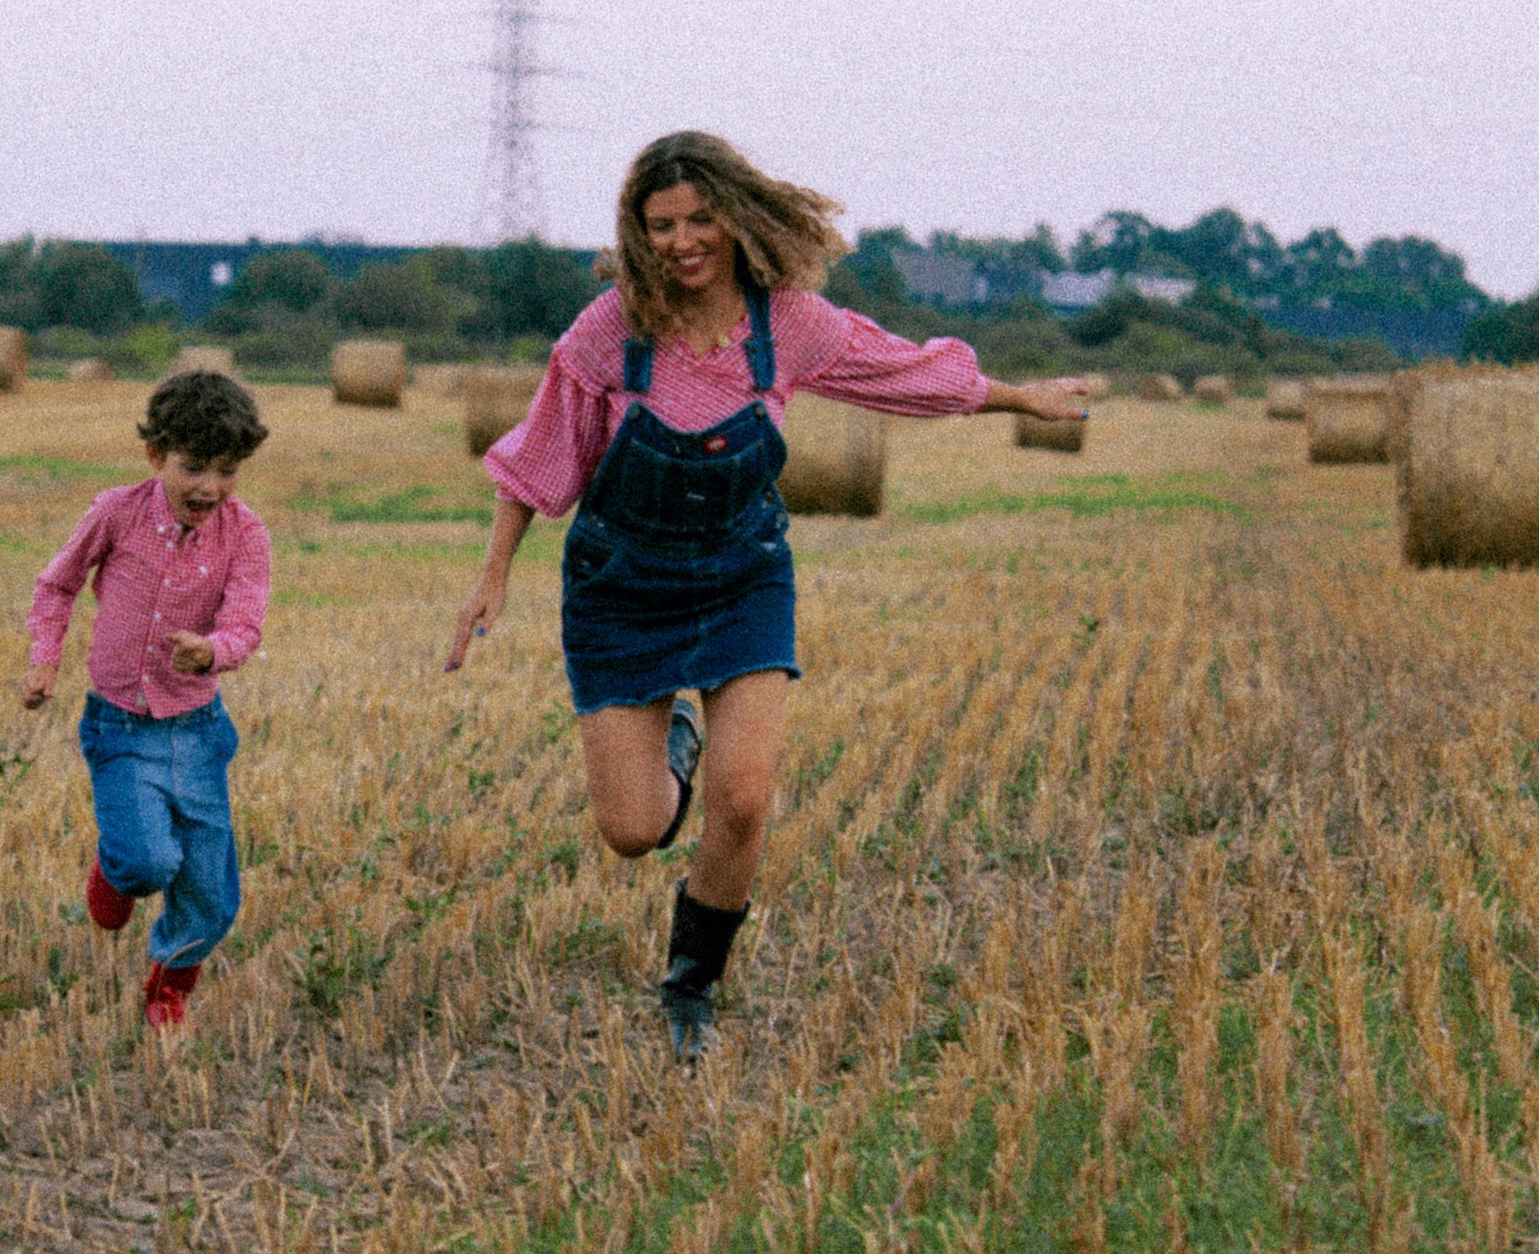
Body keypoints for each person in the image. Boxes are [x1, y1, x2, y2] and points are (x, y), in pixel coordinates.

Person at [444, 133, 1085, 1057]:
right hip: (622, 589)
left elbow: (902, 373)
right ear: (637, 231)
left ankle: (691, 988)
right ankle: (674, 742)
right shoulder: (606, 331)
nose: (681, 240)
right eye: (660, 224)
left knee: (743, 802)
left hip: (744, 577)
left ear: (737, 220)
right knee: (632, 831)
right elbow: (544, 452)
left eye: (700, 218)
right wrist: (493, 574)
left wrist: (1024, 401)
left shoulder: (787, 323)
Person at [22, 368, 272, 1032]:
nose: (210, 487)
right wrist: (45, 659)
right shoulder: (116, 513)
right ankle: (115, 871)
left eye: (227, 471)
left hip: (197, 729)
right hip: (121, 726)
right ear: (156, 456)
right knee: (147, 862)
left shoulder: (245, 535)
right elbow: (58, 586)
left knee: (211, 896)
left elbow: (246, 625)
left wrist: (214, 651)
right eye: (194, 468)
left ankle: (169, 985)